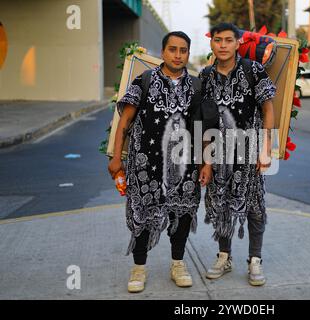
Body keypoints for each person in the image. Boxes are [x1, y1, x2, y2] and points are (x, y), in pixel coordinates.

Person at [108, 31, 212, 293]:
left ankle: (178, 264)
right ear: (163, 52)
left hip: (186, 165)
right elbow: (125, 122)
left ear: (188, 53)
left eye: (183, 50)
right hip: (146, 165)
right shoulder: (144, 80)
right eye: (173, 49)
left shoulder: (198, 87)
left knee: (183, 214)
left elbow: (203, 128)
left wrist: (206, 162)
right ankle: (139, 268)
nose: (178, 55)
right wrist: (115, 158)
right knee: (143, 214)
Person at [199, 23, 276, 286]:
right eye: (217, 40)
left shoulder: (253, 70)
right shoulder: (205, 76)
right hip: (218, 154)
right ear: (212, 44)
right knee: (220, 206)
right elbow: (204, 121)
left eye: (228, 40)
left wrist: (266, 148)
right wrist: (206, 162)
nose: (222, 45)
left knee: (254, 206)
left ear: (237, 43)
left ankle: (255, 260)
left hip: (250, 151)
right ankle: (224, 256)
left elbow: (268, 108)